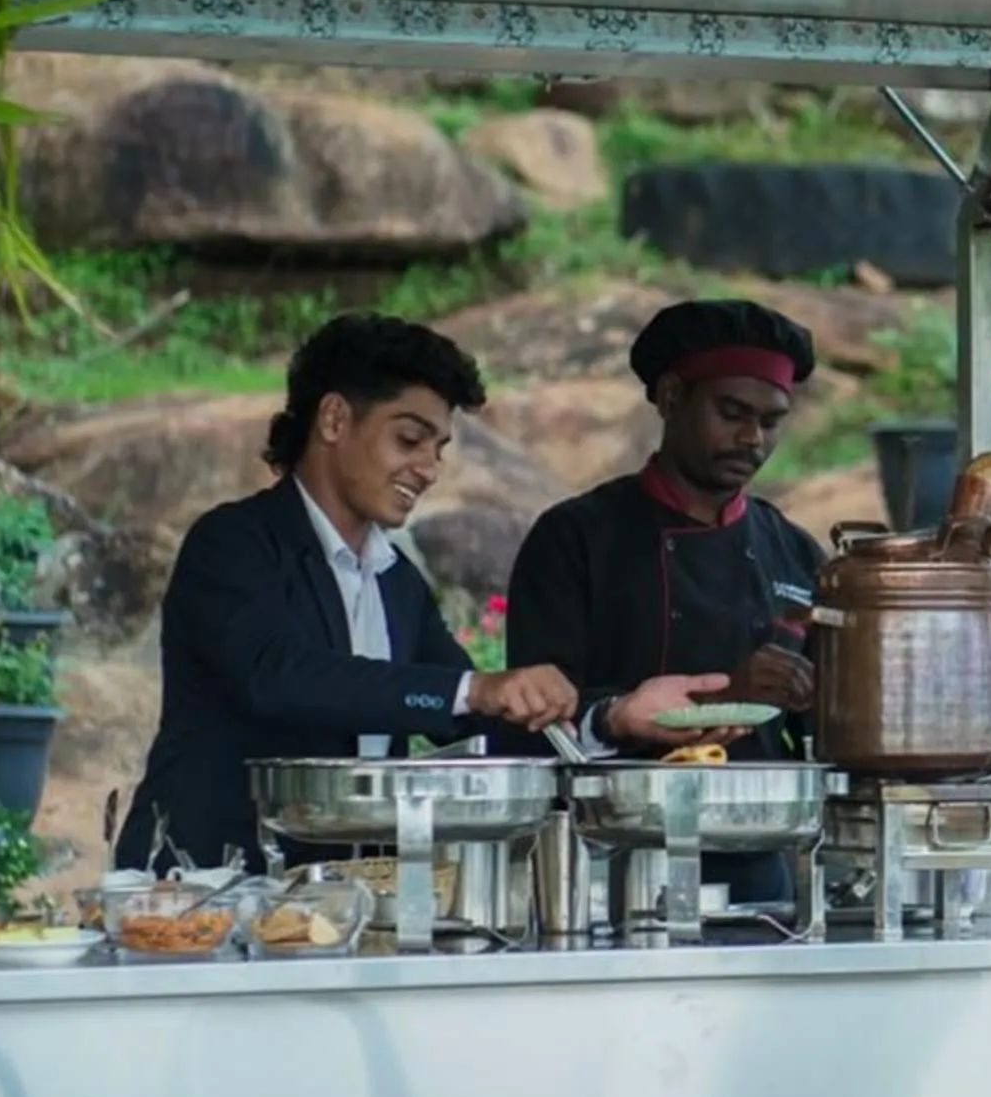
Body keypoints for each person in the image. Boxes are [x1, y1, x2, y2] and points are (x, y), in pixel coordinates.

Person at [120, 314, 704, 872]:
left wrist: (614, 719)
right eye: (409, 439)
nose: (428, 468)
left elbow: (468, 720)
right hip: (205, 886)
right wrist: (474, 689)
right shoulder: (234, 542)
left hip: (344, 899)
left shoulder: (397, 580)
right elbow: (276, 675)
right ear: (333, 420)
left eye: (439, 449)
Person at [504, 298, 827, 903]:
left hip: (757, 865)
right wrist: (628, 711)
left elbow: (822, 739)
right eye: (731, 412)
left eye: (771, 420)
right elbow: (532, 719)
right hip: (605, 866)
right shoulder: (576, 537)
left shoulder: (795, 553)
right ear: (672, 397)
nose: (752, 438)